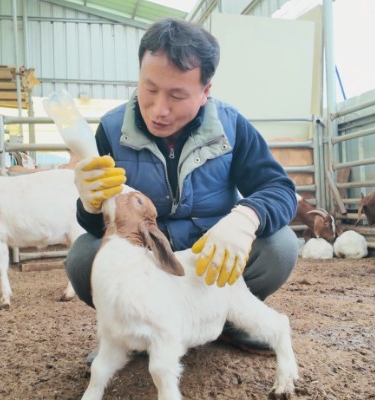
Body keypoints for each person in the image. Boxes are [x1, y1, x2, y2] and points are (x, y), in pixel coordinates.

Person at [64, 17, 299, 357]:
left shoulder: (232, 126)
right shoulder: (112, 129)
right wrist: (88, 203)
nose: (159, 110)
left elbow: (279, 188)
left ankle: (230, 320)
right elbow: (96, 226)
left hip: (209, 257)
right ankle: (135, 332)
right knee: (83, 256)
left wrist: (246, 217)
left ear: (206, 91)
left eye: (177, 95)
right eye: (149, 89)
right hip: (148, 260)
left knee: (279, 246)